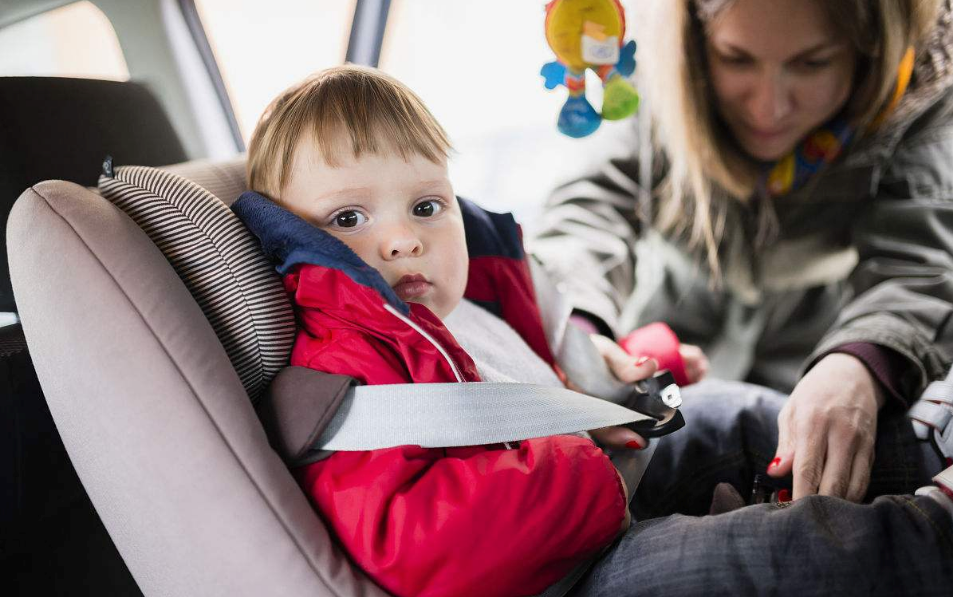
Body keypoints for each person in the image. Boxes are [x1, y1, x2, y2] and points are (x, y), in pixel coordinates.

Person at [230, 64, 953, 596]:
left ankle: (918, 446)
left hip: (592, 496)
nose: (403, 239)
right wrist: (578, 456)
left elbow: (536, 385)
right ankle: (929, 533)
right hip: (560, 576)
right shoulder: (346, 374)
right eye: (348, 218)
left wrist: (628, 371)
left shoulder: (461, 309)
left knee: (731, 415)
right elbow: (415, 545)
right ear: (295, 238)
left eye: (426, 206)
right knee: (769, 556)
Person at [533, 0, 953, 504]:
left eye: (813, 63)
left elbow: (918, 265)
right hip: (659, 327)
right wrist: (577, 333)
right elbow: (587, 210)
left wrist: (861, 362)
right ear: (692, 39)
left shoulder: (925, 91)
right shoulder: (647, 62)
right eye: (736, 59)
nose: (768, 108)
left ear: (872, 48)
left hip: (815, 351)